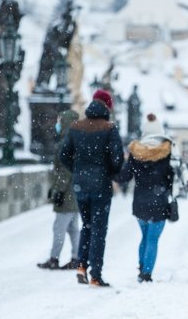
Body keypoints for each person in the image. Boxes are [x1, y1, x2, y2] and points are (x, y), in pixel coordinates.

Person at [59, 89, 124, 287]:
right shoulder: (110, 128)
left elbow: (63, 154)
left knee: (86, 225)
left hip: (80, 184)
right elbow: (117, 158)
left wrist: (77, 170)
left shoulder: (75, 126)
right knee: (99, 229)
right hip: (101, 186)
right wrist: (111, 173)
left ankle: (81, 266)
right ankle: (95, 275)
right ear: (108, 107)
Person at [114, 113, 175, 283]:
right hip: (159, 199)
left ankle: (142, 267)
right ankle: (146, 273)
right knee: (152, 239)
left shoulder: (136, 152)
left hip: (140, 200)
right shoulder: (167, 151)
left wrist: (110, 171)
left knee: (144, 236)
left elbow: (124, 176)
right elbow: (173, 177)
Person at [37, 109, 82, 270]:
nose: (57, 124)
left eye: (59, 121)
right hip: (75, 190)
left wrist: (59, 190)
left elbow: (65, 169)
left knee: (59, 227)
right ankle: (77, 258)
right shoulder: (75, 140)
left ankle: (54, 259)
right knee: (73, 227)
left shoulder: (66, 142)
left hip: (67, 192)